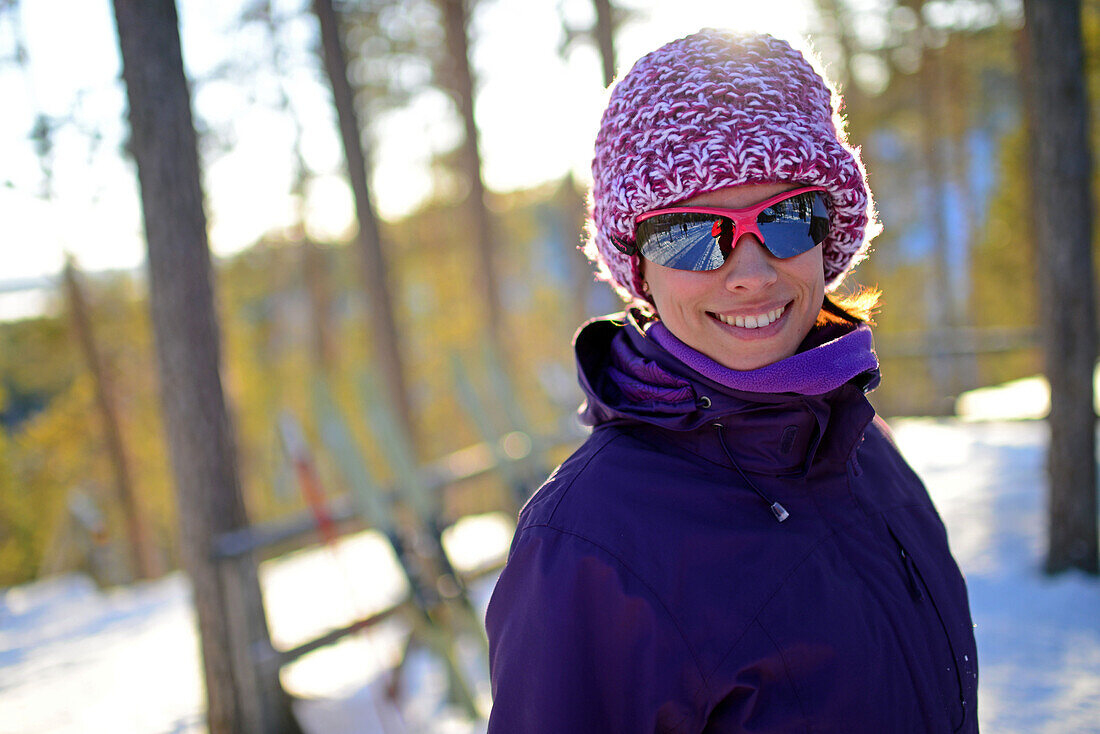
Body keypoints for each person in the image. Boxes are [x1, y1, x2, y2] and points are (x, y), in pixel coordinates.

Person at [485, 30, 978, 733]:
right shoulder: (589, 547)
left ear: (826, 234)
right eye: (691, 233)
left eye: (786, 217)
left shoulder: (868, 453)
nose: (749, 272)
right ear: (641, 269)